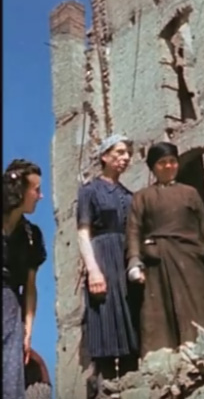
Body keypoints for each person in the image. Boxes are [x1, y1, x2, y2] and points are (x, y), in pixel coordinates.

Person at [126, 142, 204, 356]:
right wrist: (135, 261)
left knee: (198, 309)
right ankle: (165, 364)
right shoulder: (142, 197)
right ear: (153, 168)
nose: (169, 166)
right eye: (162, 163)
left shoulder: (190, 193)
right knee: (160, 314)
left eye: (172, 161)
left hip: (191, 260)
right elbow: (134, 230)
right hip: (158, 262)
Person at [76, 134, 139, 384]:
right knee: (104, 317)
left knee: (130, 319)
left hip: (125, 257)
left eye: (127, 154)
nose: (125, 158)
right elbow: (83, 233)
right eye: (120, 152)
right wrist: (93, 270)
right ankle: (102, 384)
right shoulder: (89, 191)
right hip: (102, 256)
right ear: (105, 156)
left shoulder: (129, 195)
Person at [3, 159, 47, 399]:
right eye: (36, 190)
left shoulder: (31, 236)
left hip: (11, 311)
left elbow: (30, 288)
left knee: (10, 382)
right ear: (20, 190)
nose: (40, 196)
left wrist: (27, 332)